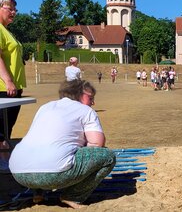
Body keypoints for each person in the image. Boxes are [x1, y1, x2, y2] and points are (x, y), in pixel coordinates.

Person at [9, 80, 116, 209]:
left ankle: (38, 193)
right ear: (79, 94)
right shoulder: (85, 110)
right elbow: (97, 143)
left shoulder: (45, 107)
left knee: (46, 150)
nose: (93, 103)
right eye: (90, 98)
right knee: (108, 157)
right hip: (54, 173)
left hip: (19, 173)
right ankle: (73, 196)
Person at [0, 0, 26, 154]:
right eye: (10, 8)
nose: (14, 12)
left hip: (13, 89)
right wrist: (8, 80)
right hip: (3, 88)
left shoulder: (6, 31)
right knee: (1, 134)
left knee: (7, 130)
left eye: (15, 9)